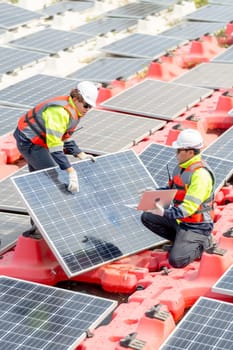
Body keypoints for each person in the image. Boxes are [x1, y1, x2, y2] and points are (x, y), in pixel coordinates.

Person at [13, 80, 98, 237]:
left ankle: (39, 227)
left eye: (90, 106)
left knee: (41, 182)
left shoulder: (74, 110)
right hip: (30, 143)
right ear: (76, 98)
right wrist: (70, 170)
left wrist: (79, 154)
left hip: (41, 142)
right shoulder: (59, 112)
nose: (88, 109)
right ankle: (41, 228)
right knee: (55, 179)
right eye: (86, 105)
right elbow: (55, 145)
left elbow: (64, 136)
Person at [141, 129, 215, 268]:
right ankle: (182, 241)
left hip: (197, 226)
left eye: (178, 150)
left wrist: (163, 212)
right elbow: (173, 190)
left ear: (190, 152)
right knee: (147, 217)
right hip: (181, 221)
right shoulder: (181, 168)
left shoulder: (201, 176)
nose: (175, 154)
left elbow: (187, 209)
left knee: (177, 261)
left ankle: (204, 242)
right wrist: (153, 193)